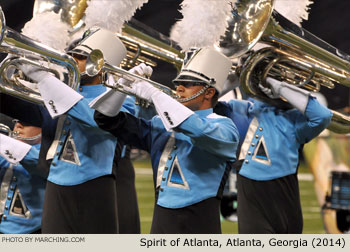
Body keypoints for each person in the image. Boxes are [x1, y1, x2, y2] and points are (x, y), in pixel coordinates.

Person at [93, 47, 239, 234]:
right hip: (161, 221)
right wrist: (123, 85)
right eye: (178, 82)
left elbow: (198, 130)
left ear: (208, 93)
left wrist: (155, 95)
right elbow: (106, 119)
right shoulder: (159, 125)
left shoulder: (225, 127)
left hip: (200, 224)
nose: (178, 88)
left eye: (187, 84)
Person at [19, 27, 137, 234]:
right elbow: (16, 107)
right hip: (55, 183)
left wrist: (45, 79)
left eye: (81, 57)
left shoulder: (123, 99)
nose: (72, 61)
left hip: (95, 186)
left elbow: (97, 119)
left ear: (101, 65)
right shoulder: (61, 91)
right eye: (73, 55)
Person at [215, 77, 333, 233]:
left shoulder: (295, 120)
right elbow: (202, 108)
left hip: (286, 204)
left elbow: (323, 116)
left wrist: (281, 87)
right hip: (253, 206)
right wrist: (228, 84)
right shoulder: (241, 110)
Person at [0, 119, 45, 234]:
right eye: (17, 122)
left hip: (33, 231)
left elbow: (38, 164)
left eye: (26, 123)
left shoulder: (49, 153)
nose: (18, 126)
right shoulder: (5, 149)